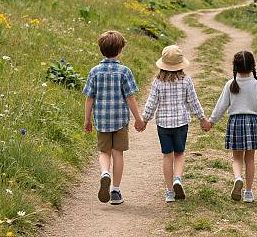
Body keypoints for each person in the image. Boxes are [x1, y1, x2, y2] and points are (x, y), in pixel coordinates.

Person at [206, 50, 257, 203]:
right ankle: (248, 192)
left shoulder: (230, 84)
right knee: (250, 159)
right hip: (252, 122)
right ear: (253, 66)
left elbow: (220, 106)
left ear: (235, 66)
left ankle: (237, 178)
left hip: (235, 123)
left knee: (237, 158)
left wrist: (211, 122)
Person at [140, 45, 211, 203]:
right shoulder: (186, 81)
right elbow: (193, 102)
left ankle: (170, 191)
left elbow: (151, 103)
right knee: (179, 153)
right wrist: (202, 119)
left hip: (164, 125)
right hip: (181, 123)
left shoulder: (157, 82)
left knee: (167, 155)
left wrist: (144, 120)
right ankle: (177, 178)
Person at [83, 30, 145, 205]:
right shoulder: (124, 71)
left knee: (104, 152)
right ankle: (116, 191)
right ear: (119, 51)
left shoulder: (94, 71)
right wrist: (138, 119)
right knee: (118, 153)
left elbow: (89, 98)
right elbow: (130, 97)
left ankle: (104, 173)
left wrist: (87, 119)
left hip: (102, 120)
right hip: (120, 121)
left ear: (101, 50)